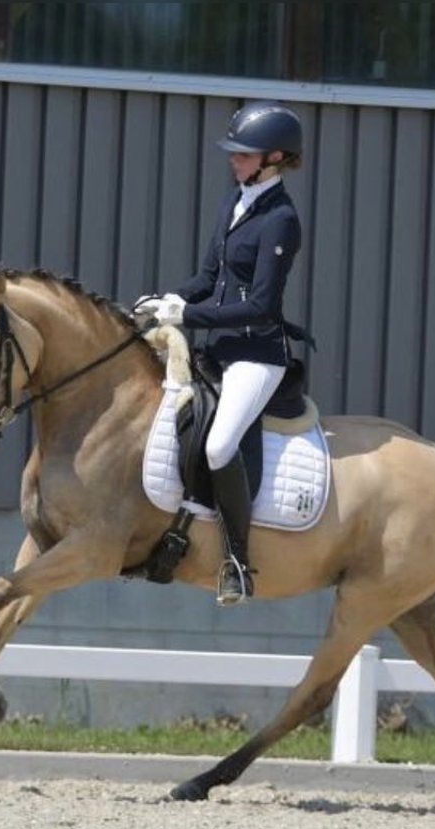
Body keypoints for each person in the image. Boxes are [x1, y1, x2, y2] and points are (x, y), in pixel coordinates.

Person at [138, 100, 304, 605]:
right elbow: (208, 280)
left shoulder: (281, 219)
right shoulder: (235, 200)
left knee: (217, 446)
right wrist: (168, 299)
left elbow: (259, 306)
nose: (234, 161)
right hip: (218, 345)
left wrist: (187, 317)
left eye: (244, 154)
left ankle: (236, 562)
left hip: (257, 353)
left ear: (275, 157)